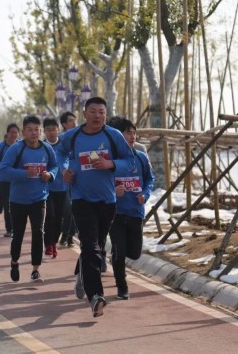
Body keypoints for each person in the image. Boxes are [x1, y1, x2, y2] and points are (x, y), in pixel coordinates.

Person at [58, 97, 136, 317]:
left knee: (97, 248)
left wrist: (111, 164)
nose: (98, 116)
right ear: (84, 114)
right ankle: (96, 296)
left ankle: (83, 276)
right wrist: (64, 170)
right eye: (93, 111)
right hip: (81, 199)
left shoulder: (114, 136)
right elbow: (59, 153)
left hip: (107, 201)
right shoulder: (72, 136)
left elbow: (130, 161)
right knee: (90, 245)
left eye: (102, 112)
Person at [0, 115, 58, 283]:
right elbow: (3, 170)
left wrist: (50, 175)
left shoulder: (47, 148)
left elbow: (54, 166)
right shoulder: (16, 149)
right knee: (18, 235)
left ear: (40, 131)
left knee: (38, 232)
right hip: (18, 200)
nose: (33, 133)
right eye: (30, 130)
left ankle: (35, 269)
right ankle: (14, 261)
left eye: (37, 130)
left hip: (39, 198)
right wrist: (24, 173)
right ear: (23, 132)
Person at [107, 117, 154, 300]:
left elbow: (149, 179)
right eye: (128, 133)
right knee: (119, 251)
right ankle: (122, 286)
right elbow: (100, 181)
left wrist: (145, 195)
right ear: (118, 137)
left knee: (134, 253)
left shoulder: (141, 157)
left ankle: (116, 255)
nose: (133, 136)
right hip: (115, 213)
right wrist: (113, 191)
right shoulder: (110, 160)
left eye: (134, 132)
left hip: (136, 212)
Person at [43, 117, 68, 259]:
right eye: (48, 130)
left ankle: (54, 242)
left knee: (59, 218)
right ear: (44, 131)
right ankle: (48, 244)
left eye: (53, 129)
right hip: (46, 188)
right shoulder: (41, 146)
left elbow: (70, 160)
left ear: (58, 130)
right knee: (49, 216)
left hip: (62, 187)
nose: (51, 132)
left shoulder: (64, 146)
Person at [0, 124, 20, 237]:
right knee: (6, 204)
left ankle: (14, 229)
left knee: (15, 205)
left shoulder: (21, 146)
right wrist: (7, 168)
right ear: (7, 134)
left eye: (15, 132)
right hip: (3, 181)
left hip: (17, 181)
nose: (13, 135)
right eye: (11, 132)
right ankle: (9, 229)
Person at [59, 111, 78, 247]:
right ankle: (66, 233)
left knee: (75, 209)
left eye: (75, 120)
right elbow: (59, 157)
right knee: (67, 210)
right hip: (65, 181)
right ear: (64, 124)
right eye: (70, 120)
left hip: (80, 179)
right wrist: (64, 170)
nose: (74, 122)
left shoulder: (82, 136)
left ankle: (70, 236)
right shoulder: (62, 139)